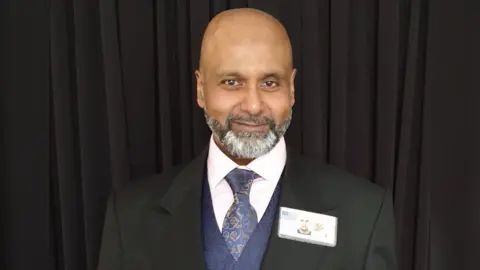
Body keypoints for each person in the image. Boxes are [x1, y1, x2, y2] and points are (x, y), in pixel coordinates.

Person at [98, 8, 397, 270]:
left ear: (291, 89)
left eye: (270, 83)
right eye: (232, 82)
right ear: (201, 88)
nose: (253, 106)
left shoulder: (364, 216)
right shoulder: (129, 218)